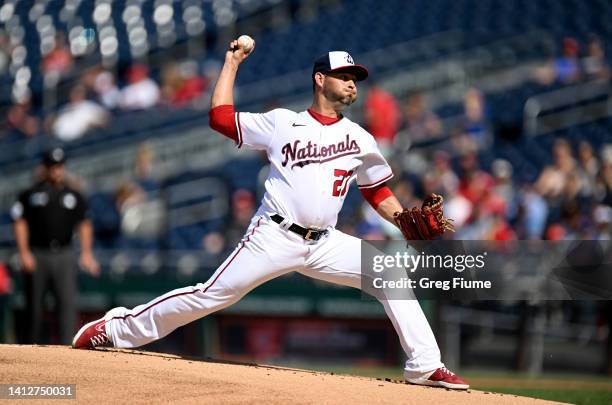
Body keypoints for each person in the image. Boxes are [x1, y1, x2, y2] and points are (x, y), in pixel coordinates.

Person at [72, 40, 469, 390]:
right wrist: (231, 63)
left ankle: (425, 365)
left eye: (355, 77)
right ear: (319, 79)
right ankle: (118, 329)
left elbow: (376, 189)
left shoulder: (360, 138)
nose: (352, 82)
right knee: (211, 295)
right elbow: (220, 119)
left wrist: (401, 218)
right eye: (343, 74)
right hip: (273, 235)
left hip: (325, 242)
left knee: (390, 274)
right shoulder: (282, 122)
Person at [12, 148, 100, 344]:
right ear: (45, 168)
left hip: (64, 253)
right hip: (38, 253)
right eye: (52, 166)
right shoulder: (30, 194)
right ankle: (30, 348)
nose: (56, 170)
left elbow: (84, 223)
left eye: (59, 166)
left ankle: (67, 347)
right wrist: (24, 252)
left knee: (66, 305)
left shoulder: (74, 195)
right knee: (34, 305)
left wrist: (86, 253)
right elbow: (20, 222)